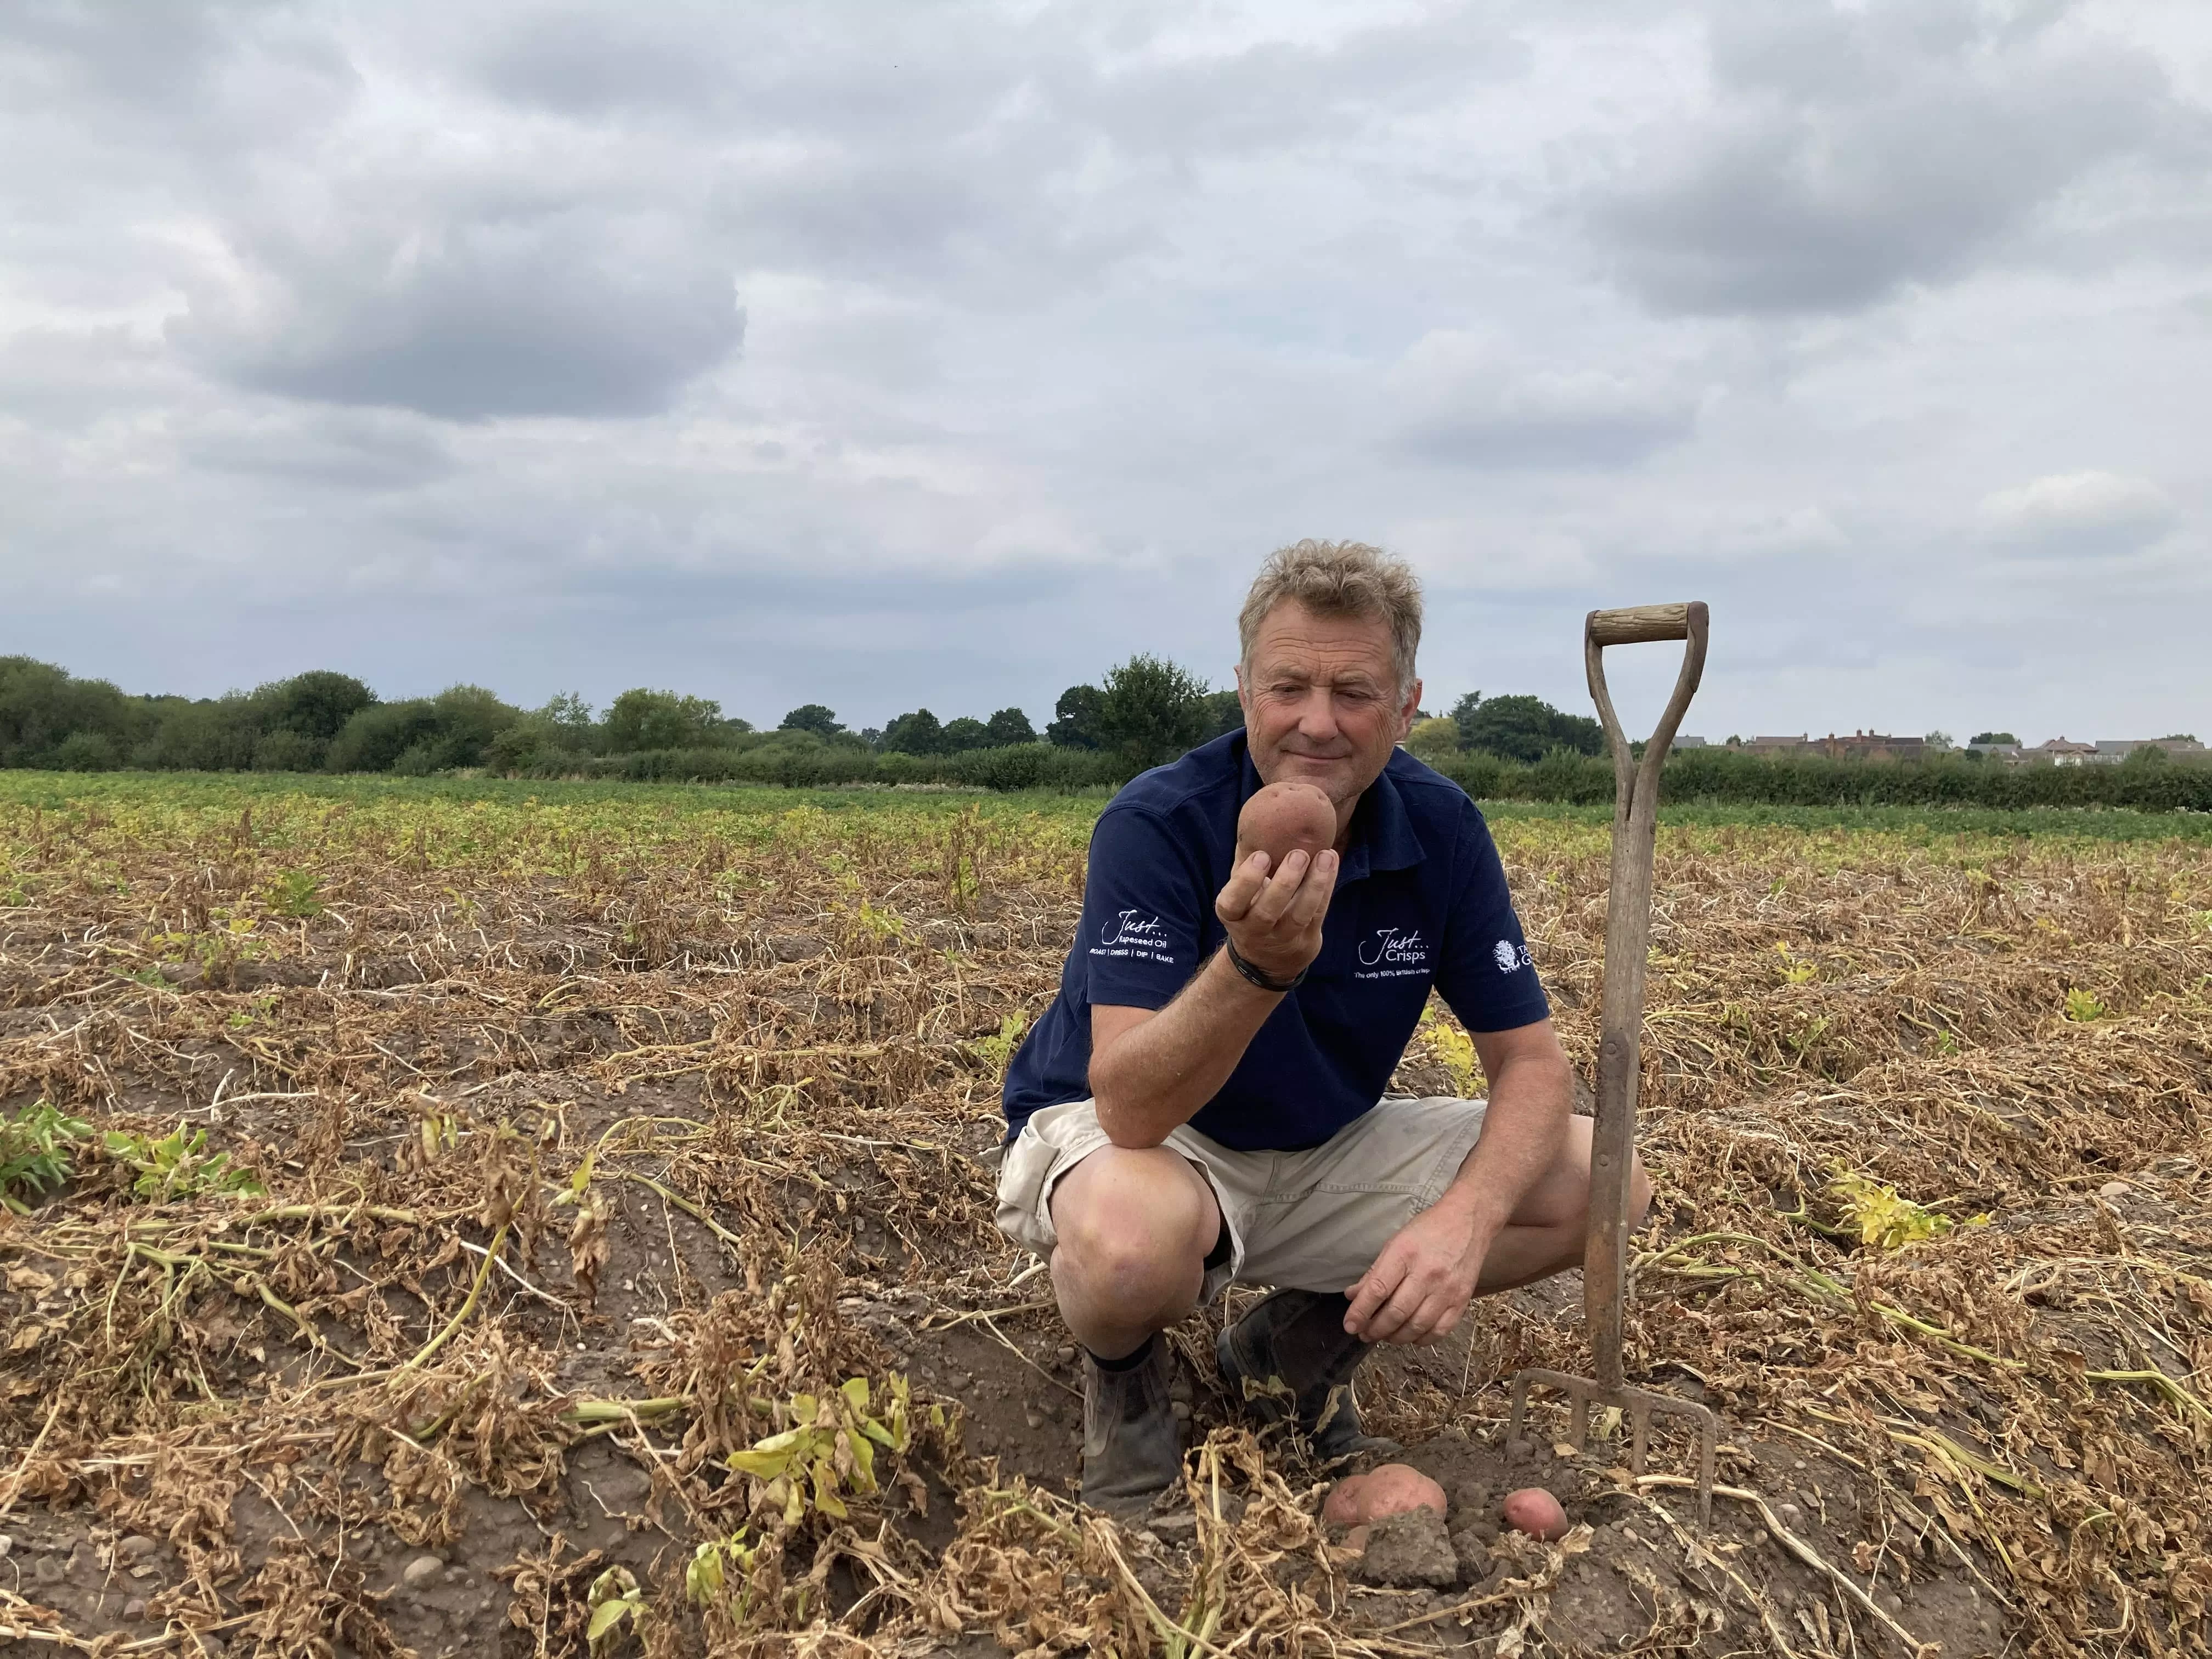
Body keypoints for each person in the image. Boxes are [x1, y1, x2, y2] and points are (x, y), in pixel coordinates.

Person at [996, 539, 1651, 1516]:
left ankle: (1289, 1349)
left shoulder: (1441, 828)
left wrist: (1462, 1224)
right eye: (1288, 686)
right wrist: (1256, 969)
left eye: (1354, 692)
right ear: (1244, 692)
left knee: (1604, 1182)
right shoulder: (1159, 823)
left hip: (1316, 1145)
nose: (1317, 722)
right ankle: (1127, 1378)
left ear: (1407, 705)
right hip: (1148, 1144)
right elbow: (1127, 1104)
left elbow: (1532, 1065)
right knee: (1134, 1240)